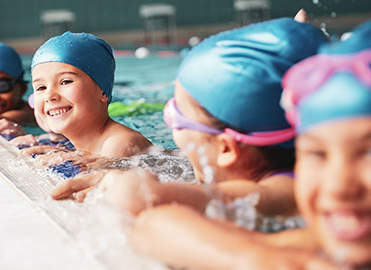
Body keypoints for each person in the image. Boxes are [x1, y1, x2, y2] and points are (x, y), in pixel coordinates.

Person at [129, 20, 371, 270]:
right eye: (317, 153)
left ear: (227, 148)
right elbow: (152, 226)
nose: (339, 186)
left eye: (368, 153)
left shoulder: (287, 191)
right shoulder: (323, 231)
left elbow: (143, 204)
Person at [51, 18, 327, 217]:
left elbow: (219, 199)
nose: (170, 123)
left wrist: (140, 192)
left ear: (226, 148)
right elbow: (174, 160)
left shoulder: (288, 189)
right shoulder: (257, 162)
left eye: (175, 115)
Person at [20, 32, 152, 158]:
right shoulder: (85, 145)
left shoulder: (119, 144)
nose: (49, 96)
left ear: (102, 90)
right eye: (41, 87)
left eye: (65, 82)